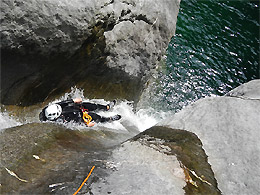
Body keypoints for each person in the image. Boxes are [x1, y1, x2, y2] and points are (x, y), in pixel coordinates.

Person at [39, 98, 121, 127]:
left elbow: (62, 103)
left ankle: (106, 107)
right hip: (78, 115)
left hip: (75, 108)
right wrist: (87, 124)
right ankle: (108, 119)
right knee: (94, 116)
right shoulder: (62, 119)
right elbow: (76, 122)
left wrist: (73, 100)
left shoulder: (48, 109)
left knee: (92, 106)